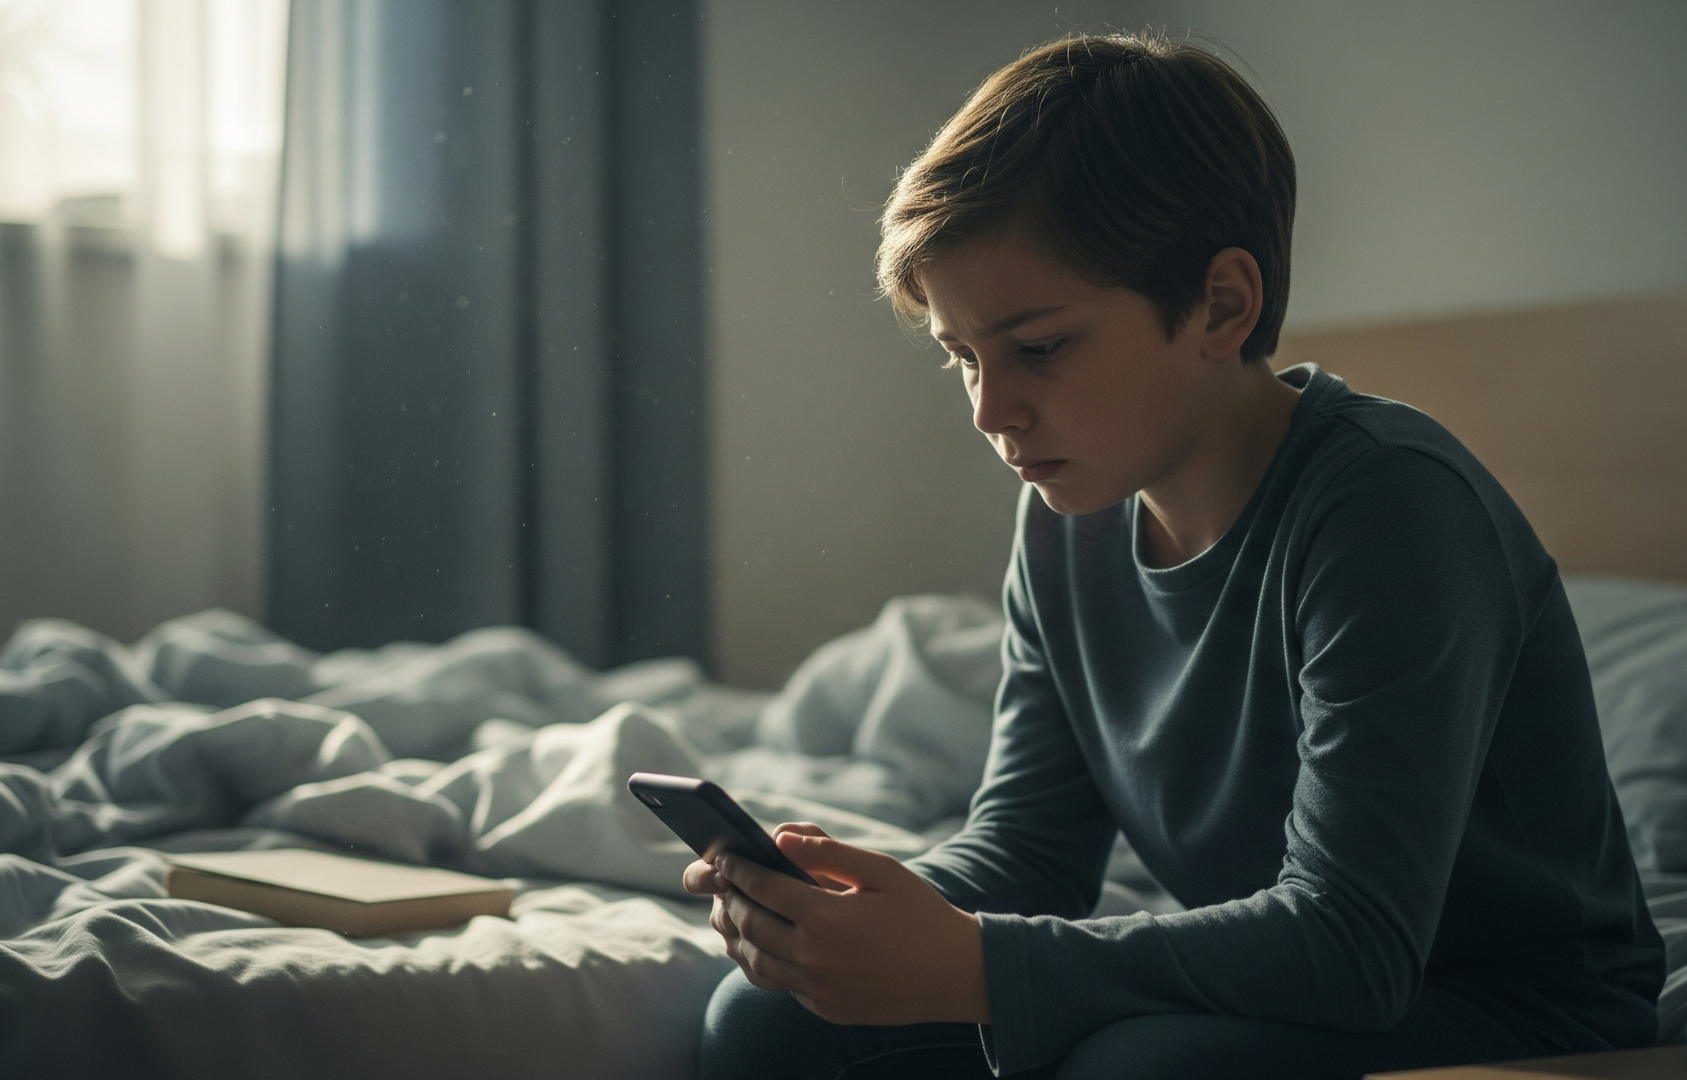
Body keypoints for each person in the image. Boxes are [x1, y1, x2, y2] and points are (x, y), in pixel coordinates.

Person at [687, 31, 1664, 1080]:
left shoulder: (1391, 507)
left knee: (1140, 1068)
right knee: (762, 1023)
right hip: (1279, 977)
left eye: (1040, 348)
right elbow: (1028, 855)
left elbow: (1354, 945)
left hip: (1504, 1004)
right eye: (963, 358)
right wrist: (854, 912)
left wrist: (977, 965)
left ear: (1222, 305)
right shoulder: (1069, 515)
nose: (989, 410)